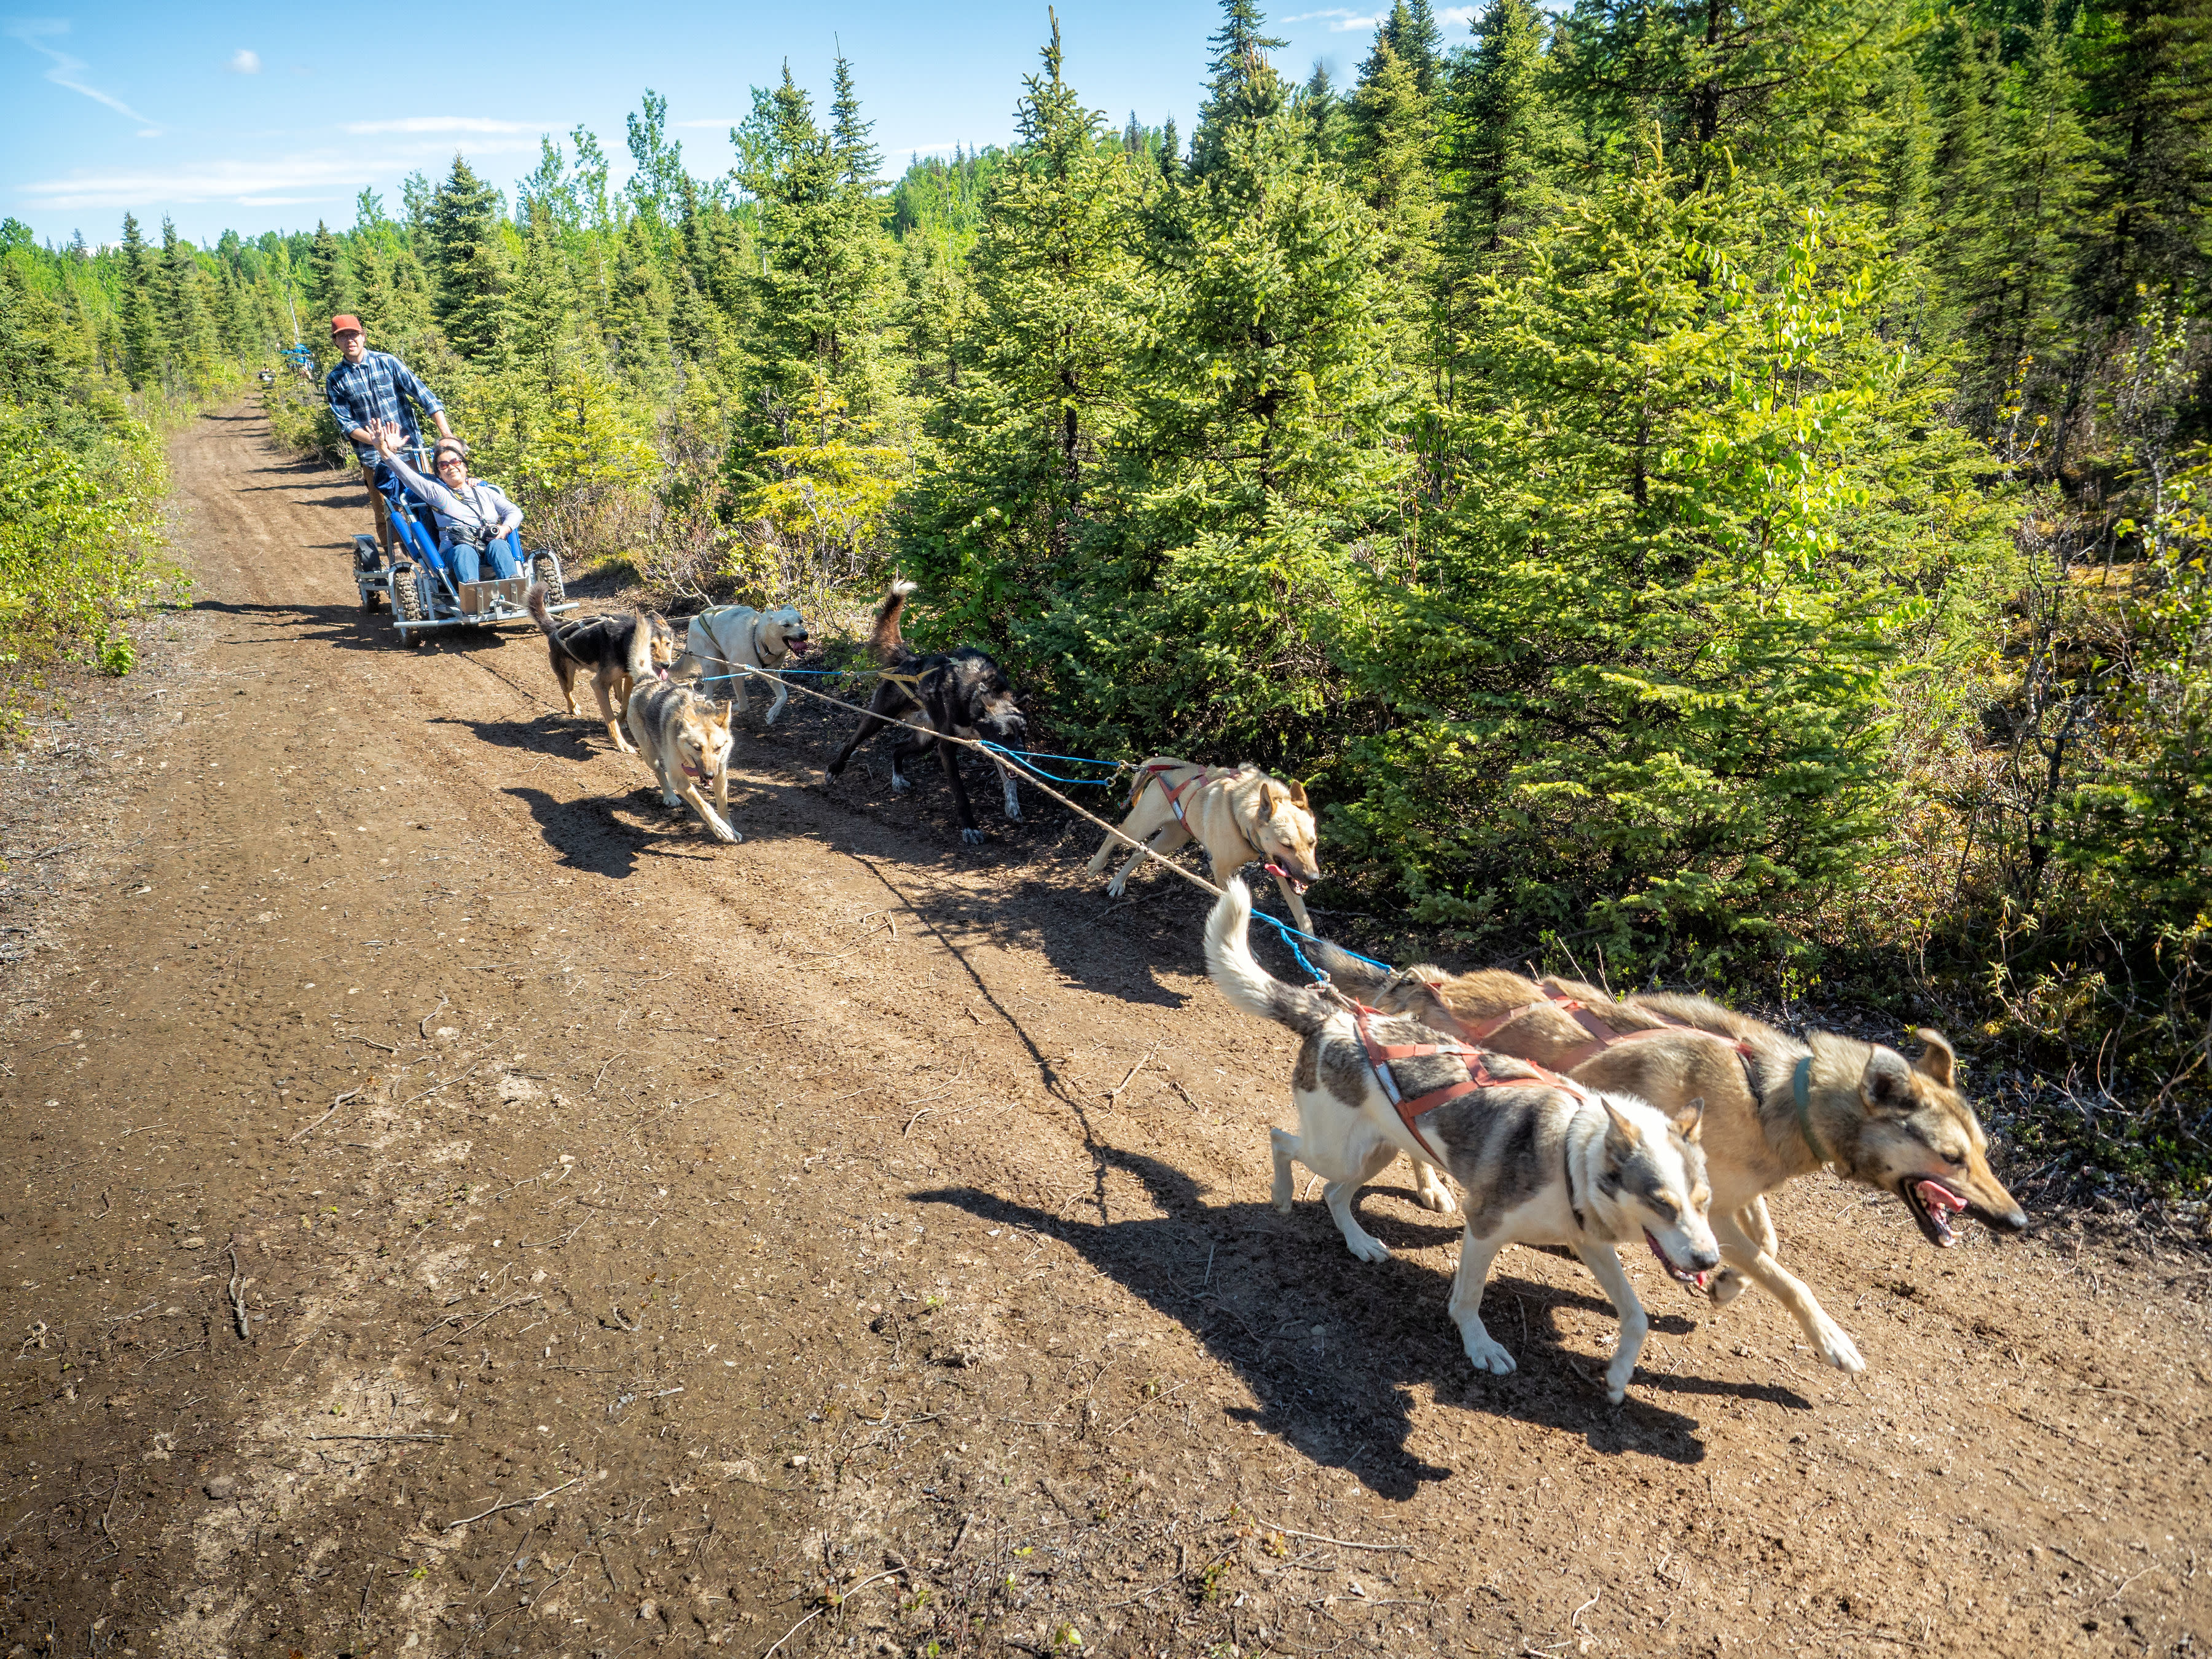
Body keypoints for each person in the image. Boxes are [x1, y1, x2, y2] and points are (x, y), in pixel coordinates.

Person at [323, 315, 452, 567]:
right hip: (374, 457)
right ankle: (400, 566)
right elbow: (346, 424)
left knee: (428, 503)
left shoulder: (388, 362)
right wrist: (378, 441)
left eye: (354, 334)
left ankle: (438, 560)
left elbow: (425, 396)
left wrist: (446, 436)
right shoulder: (336, 379)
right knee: (387, 512)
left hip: (412, 452)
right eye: (343, 336)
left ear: (363, 336)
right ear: (336, 342)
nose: (350, 340)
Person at [370, 422, 526, 583]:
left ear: (465, 465)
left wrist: (504, 528)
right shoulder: (436, 492)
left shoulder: (483, 490)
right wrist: (386, 451)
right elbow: (406, 477)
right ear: (438, 472)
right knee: (464, 550)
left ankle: (514, 587)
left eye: (455, 461)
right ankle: (472, 593)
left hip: (489, 546)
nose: (451, 467)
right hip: (456, 548)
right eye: (443, 465)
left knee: (499, 545)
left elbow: (514, 511)